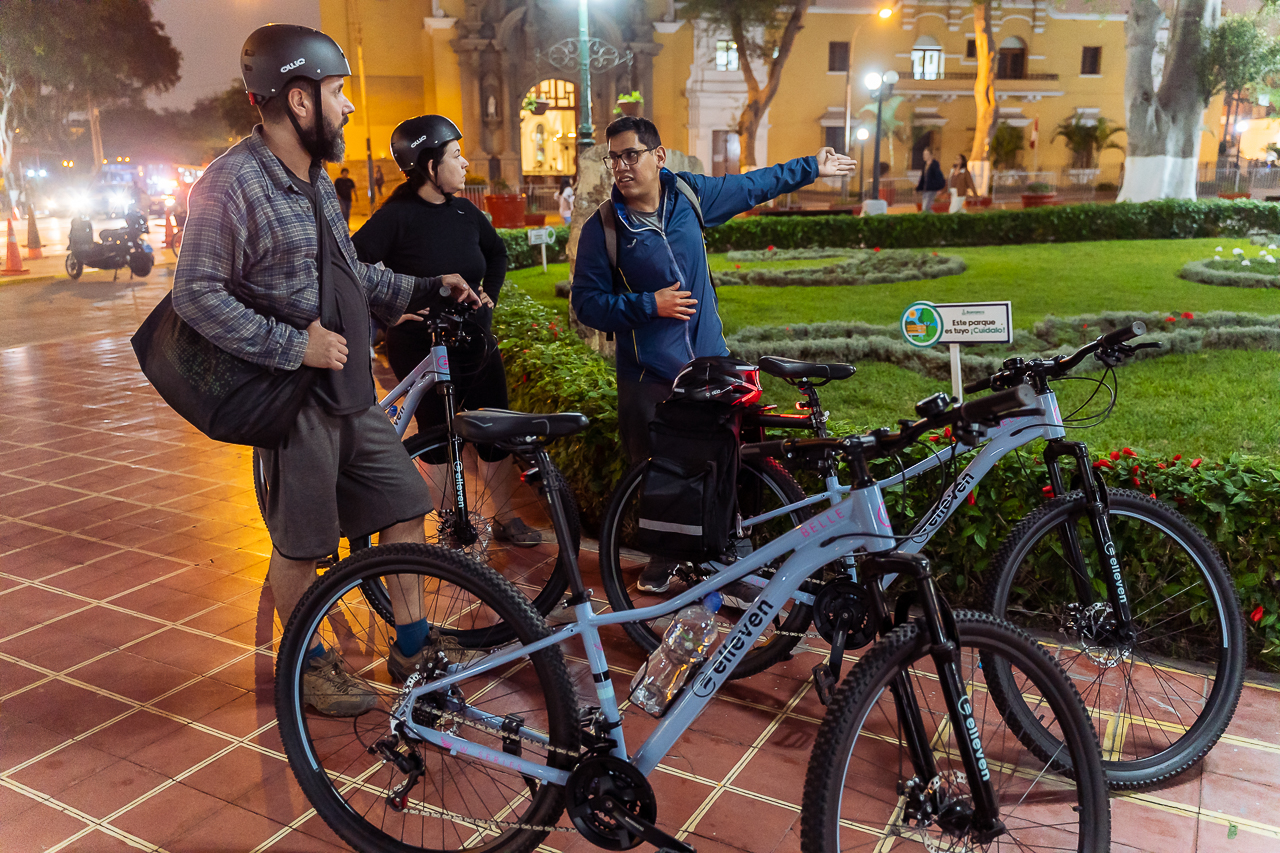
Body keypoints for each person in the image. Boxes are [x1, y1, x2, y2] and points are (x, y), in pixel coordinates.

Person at [171, 24, 485, 717]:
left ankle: (410, 643)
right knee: (304, 543)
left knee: (406, 505)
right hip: (293, 399)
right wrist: (294, 346)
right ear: (298, 98)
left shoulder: (314, 180)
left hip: (351, 395)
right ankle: (310, 662)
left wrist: (431, 288)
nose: (347, 107)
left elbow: (353, 273)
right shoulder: (231, 183)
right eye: (338, 92)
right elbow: (195, 294)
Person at [571, 115, 854, 592]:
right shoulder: (605, 228)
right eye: (613, 156)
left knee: (728, 460)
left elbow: (750, 186)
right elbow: (586, 303)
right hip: (650, 374)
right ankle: (664, 556)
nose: (620, 166)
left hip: (709, 364)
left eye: (630, 154)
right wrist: (649, 305)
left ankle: (729, 551)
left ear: (658, 157)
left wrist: (811, 167)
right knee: (656, 470)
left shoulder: (688, 195)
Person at [352, 115, 536, 546]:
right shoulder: (395, 216)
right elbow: (350, 266)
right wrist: (388, 310)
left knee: (496, 425)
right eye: (455, 155)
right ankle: (451, 519)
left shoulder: (464, 210)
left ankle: (506, 516)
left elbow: (497, 253)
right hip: (421, 344)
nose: (465, 162)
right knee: (436, 432)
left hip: (475, 339)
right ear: (429, 165)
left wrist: (488, 294)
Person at [917, 147, 946, 213]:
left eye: (926, 154)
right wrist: (919, 187)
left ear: (931, 155)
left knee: (926, 207)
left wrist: (939, 188)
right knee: (925, 207)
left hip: (931, 189)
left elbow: (939, 177)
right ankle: (930, 219)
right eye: (924, 154)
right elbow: (923, 177)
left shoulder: (934, 165)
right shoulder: (924, 165)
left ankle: (931, 219)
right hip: (925, 189)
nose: (924, 156)